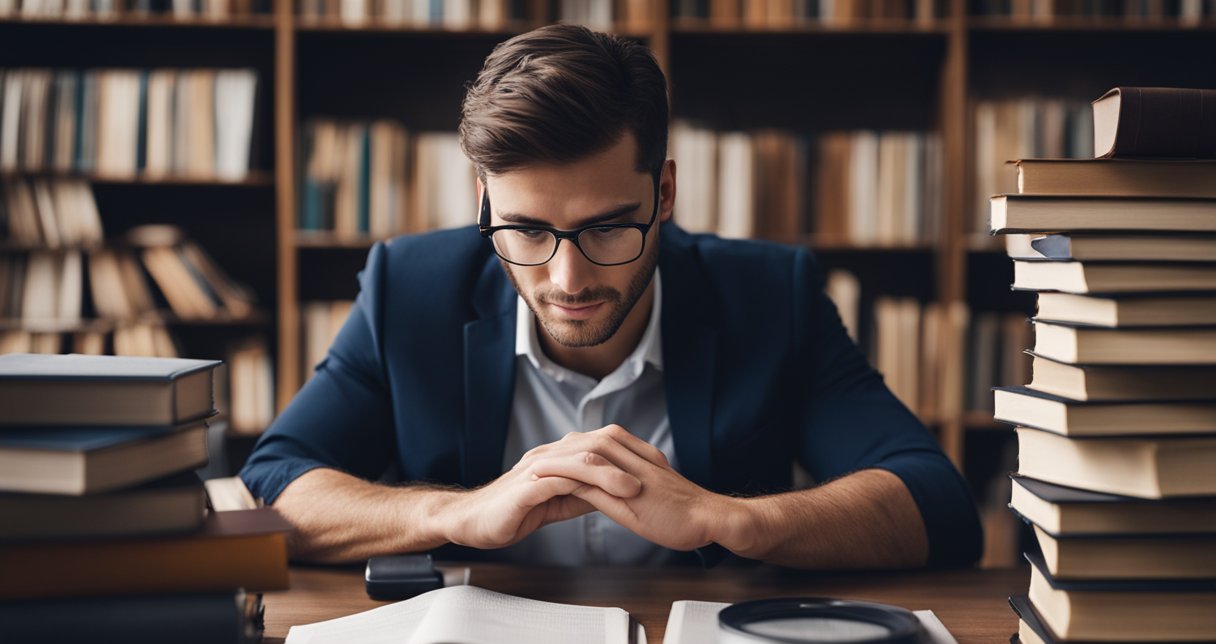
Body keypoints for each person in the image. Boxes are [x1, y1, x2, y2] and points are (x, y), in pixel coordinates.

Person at [240, 23, 982, 570]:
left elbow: (937, 504)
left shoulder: (768, 294)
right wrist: (459, 512)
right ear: (484, 204)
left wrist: (729, 520)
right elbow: (274, 488)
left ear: (662, 193)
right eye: (526, 231)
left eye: (605, 228)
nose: (567, 282)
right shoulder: (411, 289)